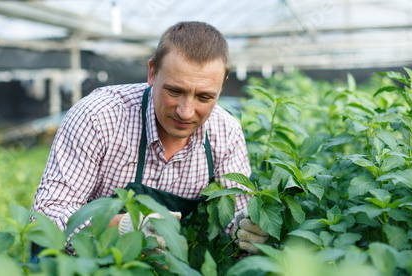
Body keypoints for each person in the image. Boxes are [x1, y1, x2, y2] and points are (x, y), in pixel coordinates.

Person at [31, 21, 268, 255]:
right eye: (175, 91)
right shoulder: (99, 117)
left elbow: (234, 217)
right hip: (84, 262)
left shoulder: (225, 133)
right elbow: (47, 215)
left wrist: (242, 229)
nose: (185, 112)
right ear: (152, 72)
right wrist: (120, 228)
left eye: (204, 97)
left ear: (222, 86)